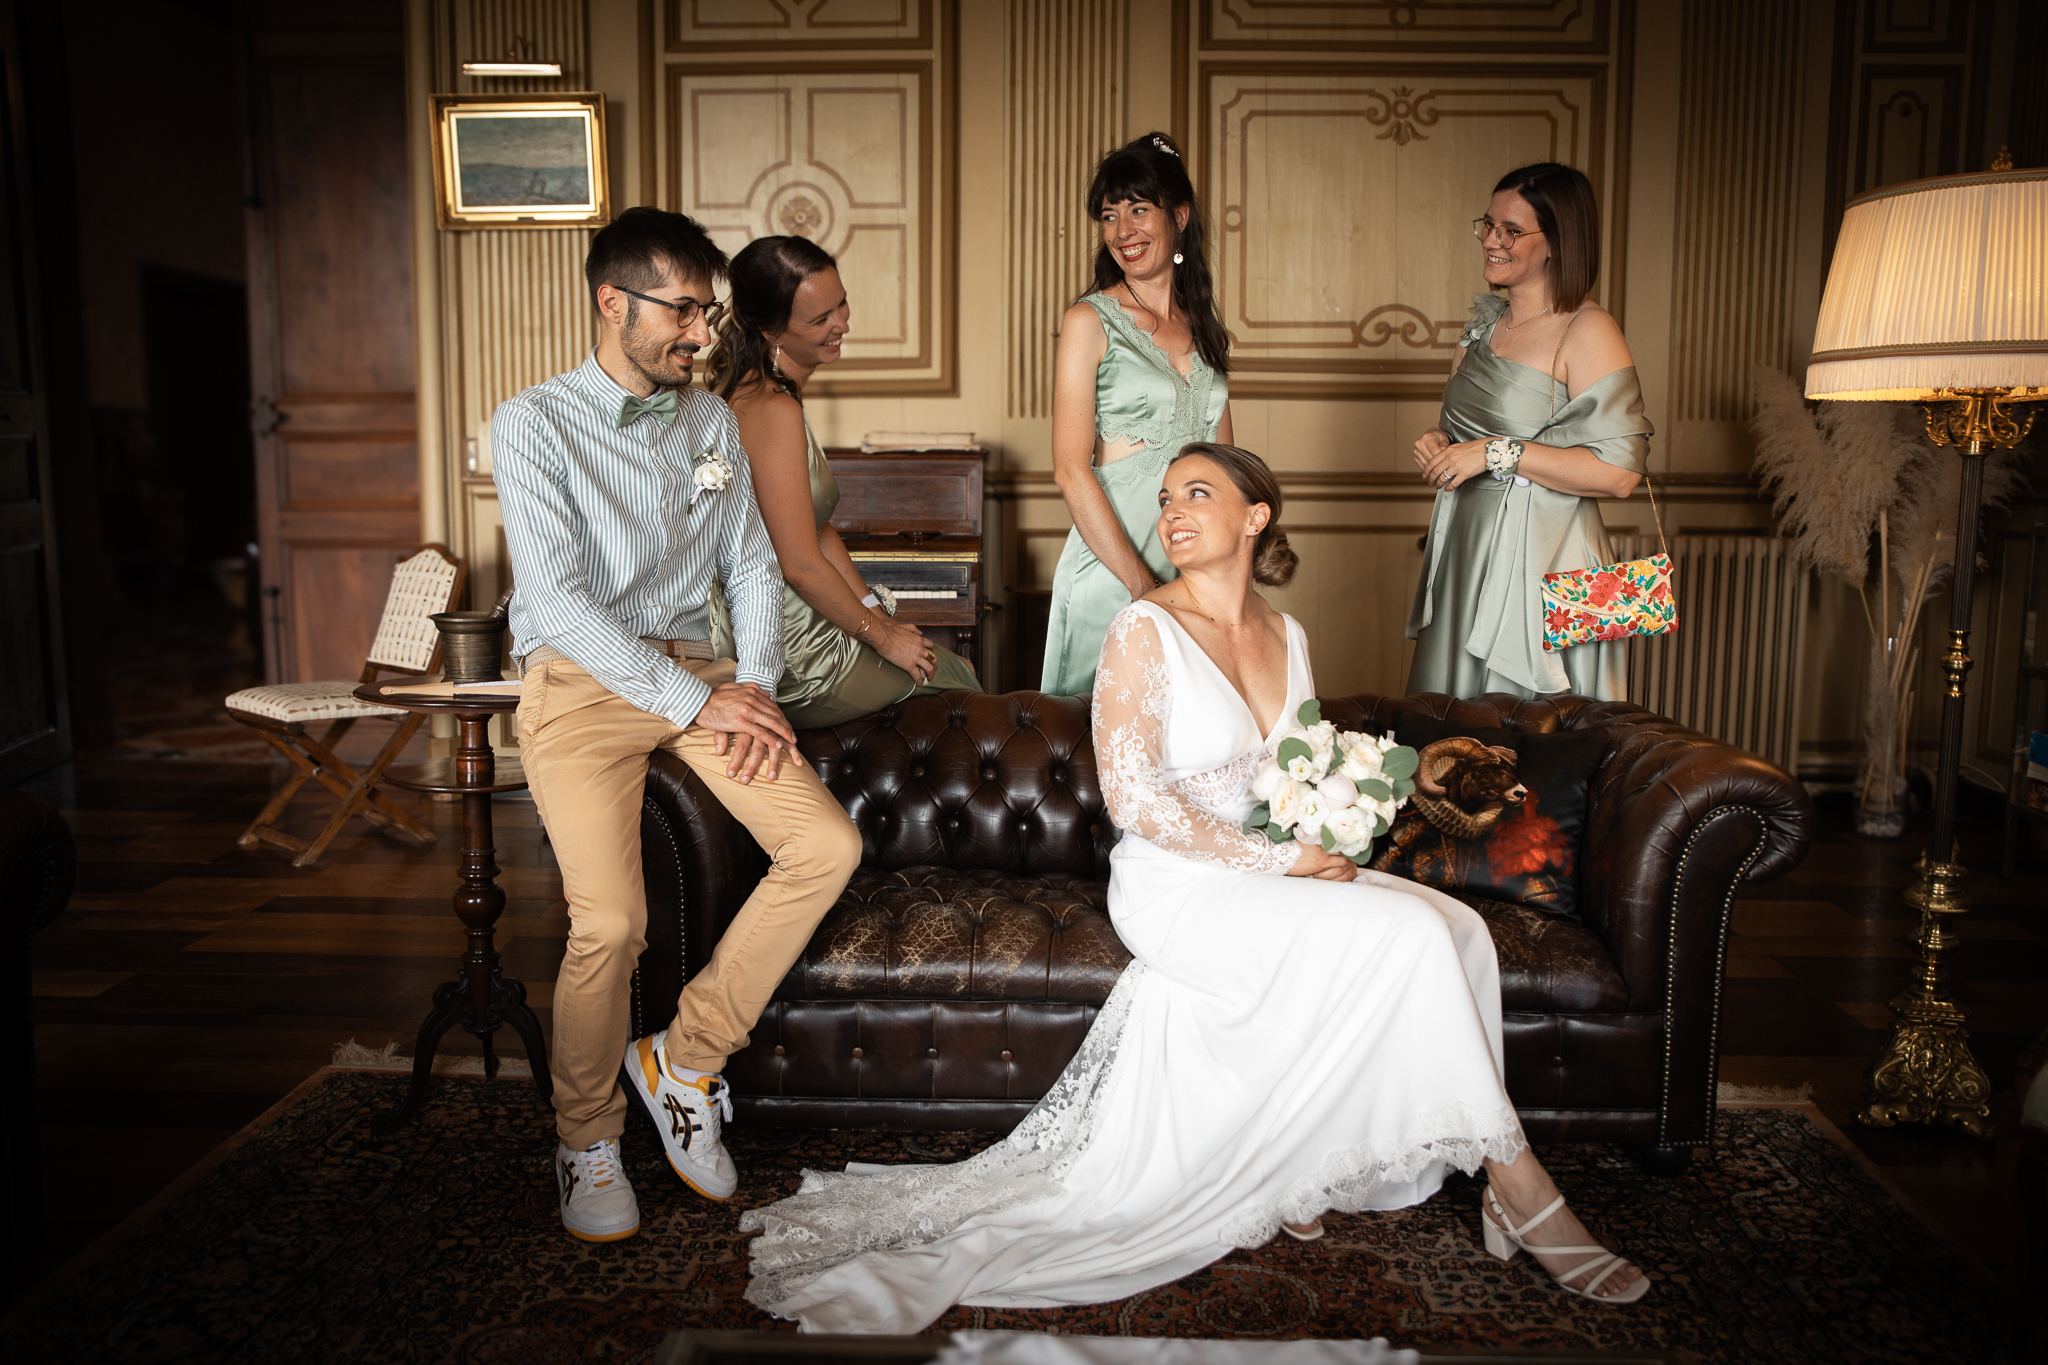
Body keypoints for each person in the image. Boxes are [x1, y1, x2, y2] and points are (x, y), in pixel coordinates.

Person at [740, 443, 1647, 1332]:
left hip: (1271, 864)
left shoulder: (1288, 634)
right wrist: (1285, 862)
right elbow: (1135, 800)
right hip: (1177, 883)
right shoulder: (1143, 628)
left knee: (1457, 927)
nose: (1172, 511)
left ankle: (1307, 1165)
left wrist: (1327, 823)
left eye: (1198, 494)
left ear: (1255, 518)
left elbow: (1300, 769)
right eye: (1166, 497)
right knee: (1405, 937)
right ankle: (1519, 1185)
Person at [492, 207, 862, 1245]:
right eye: (683, 312)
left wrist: (756, 684)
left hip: (697, 674)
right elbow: (556, 603)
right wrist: (700, 699)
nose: (703, 334)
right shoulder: (530, 423)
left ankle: (684, 1058)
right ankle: (584, 1135)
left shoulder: (709, 422)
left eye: (707, 313)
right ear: (612, 302)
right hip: (579, 683)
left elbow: (749, 563)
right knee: (611, 923)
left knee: (824, 845)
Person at [705, 235, 980, 728]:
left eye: (842, 303)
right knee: (958, 676)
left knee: (949, 668)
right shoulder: (772, 409)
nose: (842, 324)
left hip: (800, 619)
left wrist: (876, 611)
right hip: (790, 651)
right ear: (771, 329)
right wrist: (882, 637)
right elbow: (798, 564)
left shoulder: (762, 392)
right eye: (819, 319)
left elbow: (816, 527)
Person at [1406, 162, 1652, 701]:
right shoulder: (1482, 324)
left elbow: (1620, 475)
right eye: (1488, 225)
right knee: (1455, 726)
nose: (1491, 241)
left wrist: (1496, 453)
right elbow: (1468, 436)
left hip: (1548, 557)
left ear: (1558, 242)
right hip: (1468, 543)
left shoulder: (1588, 328)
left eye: (1512, 230)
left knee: (1537, 729)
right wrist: (1440, 444)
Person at [1040, 131, 1231, 697]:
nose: (1123, 231)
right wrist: (1141, 587)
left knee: (1192, 729)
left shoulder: (1203, 328)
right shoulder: (1088, 321)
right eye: (1109, 215)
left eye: (1139, 210)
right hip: (1114, 569)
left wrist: (1224, 577)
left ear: (1179, 216)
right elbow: (1070, 470)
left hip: (1194, 566)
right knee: (1097, 735)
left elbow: (1224, 467)